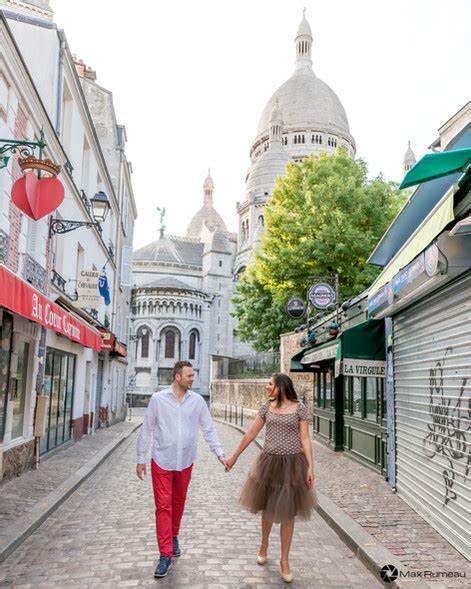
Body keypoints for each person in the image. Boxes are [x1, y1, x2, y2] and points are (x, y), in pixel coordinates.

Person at [136, 361, 227, 578]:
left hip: (185, 461)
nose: (192, 379)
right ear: (177, 376)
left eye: (193, 375)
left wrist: (220, 454)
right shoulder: (158, 400)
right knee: (163, 506)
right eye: (189, 375)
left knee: (178, 503)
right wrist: (141, 459)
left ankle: (174, 535)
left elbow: (209, 429)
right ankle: (165, 554)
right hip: (162, 461)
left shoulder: (197, 402)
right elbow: (146, 429)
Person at [225, 373, 317, 583]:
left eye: (270, 384)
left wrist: (311, 467)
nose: (267, 387)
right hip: (269, 463)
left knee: (289, 513)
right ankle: (264, 544)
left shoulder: (299, 409)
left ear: (281, 386)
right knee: (267, 508)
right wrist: (234, 457)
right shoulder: (267, 407)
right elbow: (250, 434)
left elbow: (305, 438)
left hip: (293, 465)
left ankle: (285, 560)